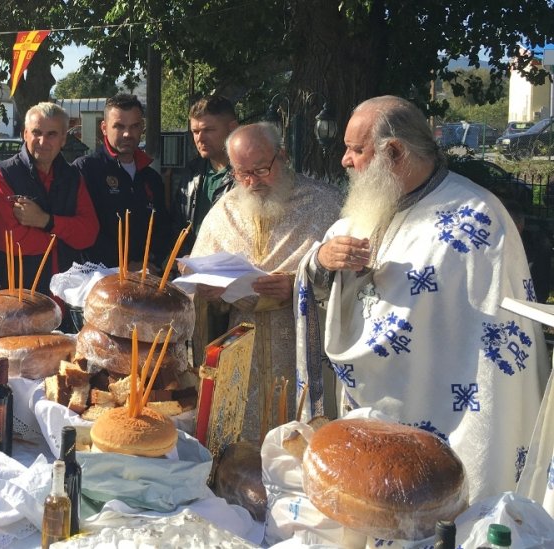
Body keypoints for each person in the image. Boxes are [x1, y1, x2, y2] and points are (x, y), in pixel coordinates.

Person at [296, 95, 543, 503]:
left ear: (393, 152)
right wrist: (324, 259)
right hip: (372, 398)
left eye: (357, 149)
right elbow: (317, 275)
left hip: (448, 406)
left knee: (442, 509)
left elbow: (495, 345)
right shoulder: (370, 205)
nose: (344, 160)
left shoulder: (477, 217)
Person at [190, 123, 341, 441]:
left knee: (303, 448)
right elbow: (199, 282)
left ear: (282, 157)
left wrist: (298, 285)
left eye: (261, 170)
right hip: (242, 356)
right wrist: (211, 293)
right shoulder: (225, 210)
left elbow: (354, 282)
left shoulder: (327, 205)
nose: (251, 182)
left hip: (305, 350)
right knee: (242, 453)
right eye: (241, 173)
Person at [0, 102, 98, 313]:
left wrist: (46, 221)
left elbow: (89, 233)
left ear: (64, 138)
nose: (42, 141)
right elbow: (10, 241)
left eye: (52, 134)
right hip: (14, 299)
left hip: (62, 300)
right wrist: (64, 237)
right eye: (36, 132)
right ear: (24, 134)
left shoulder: (73, 177)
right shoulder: (2, 174)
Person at [73, 93, 171, 271]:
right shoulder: (85, 170)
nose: (127, 134)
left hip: (145, 277)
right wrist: (123, 266)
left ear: (142, 127)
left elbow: (162, 228)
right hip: (98, 279)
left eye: (134, 126)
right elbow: (81, 231)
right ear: (104, 128)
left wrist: (153, 262)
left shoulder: (151, 177)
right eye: (118, 126)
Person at [171, 95, 240, 256]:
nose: (200, 138)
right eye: (195, 131)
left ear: (233, 128)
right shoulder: (191, 172)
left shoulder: (248, 175)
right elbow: (177, 225)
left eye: (208, 130)